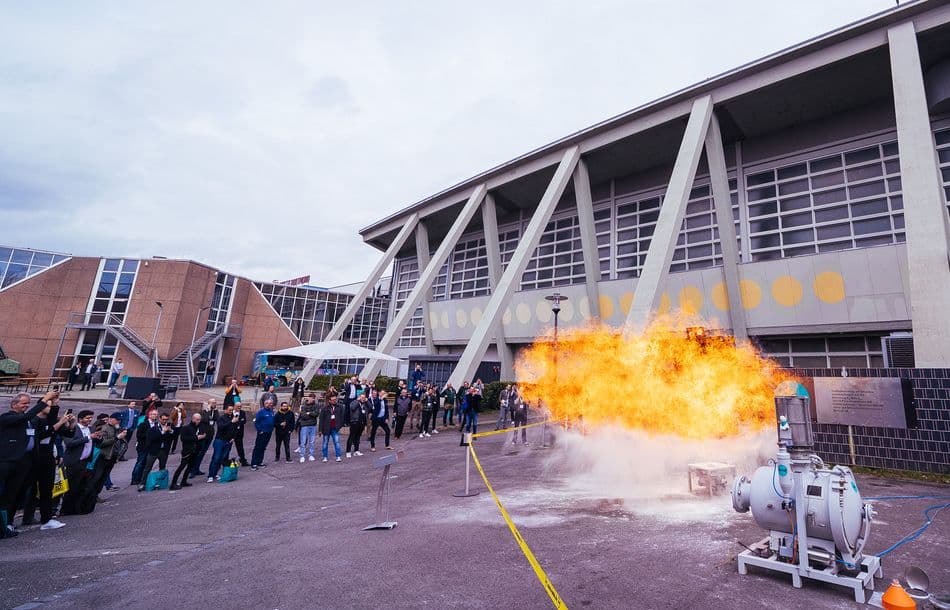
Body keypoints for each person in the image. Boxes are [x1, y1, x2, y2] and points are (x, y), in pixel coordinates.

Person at [1, 391, 58, 536]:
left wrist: (55, 404)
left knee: (17, 492)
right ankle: (6, 523)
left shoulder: (26, 420)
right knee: (7, 493)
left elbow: (48, 426)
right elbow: (27, 416)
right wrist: (45, 399)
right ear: (14, 404)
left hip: (26, 460)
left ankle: (7, 524)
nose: (26, 406)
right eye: (23, 403)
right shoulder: (8, 417)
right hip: (9, 460)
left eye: (28, 403)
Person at [20, 397, 69, 530]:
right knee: (27, 488)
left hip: (48, 457)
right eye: (50, 405)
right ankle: (16, 519)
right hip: (33, 457)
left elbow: (66, 433)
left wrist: (69, 423)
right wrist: (59, 424)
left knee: (46, 489)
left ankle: (46, 519)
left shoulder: (51, 420)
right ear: (41, 407)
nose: (52, 407)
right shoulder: (34, 421)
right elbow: (40, 435)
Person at [80, 413, 126, 513]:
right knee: (96, 477)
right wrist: (117, 437)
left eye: (120, 420)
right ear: (111, 419)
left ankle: (95, 495)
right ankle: (90, 497)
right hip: (103, 456)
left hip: (112, 457)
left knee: (103, 478)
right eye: (117, 420)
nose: (119, 422)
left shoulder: (116, 428)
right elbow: (102, 443)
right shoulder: (104, 428)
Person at [60, 409, 97, 515]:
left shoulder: (91, 428)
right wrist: (88, 438)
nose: (90, 420)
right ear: (80, 419)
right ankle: (64, 510)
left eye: (91, 418)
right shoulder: (73, 429)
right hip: (73, 461)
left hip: (84, 461)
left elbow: (94, 441)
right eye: (87, 418)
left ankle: (75, 508)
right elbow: (69, 443)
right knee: (69, 486)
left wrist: (98, 437)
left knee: (78, 486)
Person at [136, 410, 173, 492]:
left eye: (166, 419)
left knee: (162, 467)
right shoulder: (154, 427)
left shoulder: (169, 427)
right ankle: (142, 483)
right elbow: (152, 438)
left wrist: (170, 431)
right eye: (163, 419)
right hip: (154, 450)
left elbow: (173, 438)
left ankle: (160, 483)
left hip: (163, 451)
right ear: (159, 419)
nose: (164, 421)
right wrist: (163, 432)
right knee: (147, 468)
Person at [170, 413, 204, 490]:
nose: (199, 421)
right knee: (182, 466)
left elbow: (202, 436)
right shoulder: (186, 428)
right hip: (187, 451)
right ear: (193, 419)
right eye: (197, 420)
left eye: (199, 420)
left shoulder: (199, 427)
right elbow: (184, 439)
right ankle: (173, 483)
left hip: (195, 450)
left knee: (190, 467)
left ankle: (184, 481)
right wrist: (197, 438)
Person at [208, 406, 239, 482]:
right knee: (216, 457)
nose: (231, 411)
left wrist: (233, 437)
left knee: (223, 458)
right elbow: (221, 427)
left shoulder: (234, 418)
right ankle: (210, 475)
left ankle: (215, 474)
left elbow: (236, 429)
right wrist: (231, 422)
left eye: (232, 410)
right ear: (225, 410)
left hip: (228, 441)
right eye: (229, 410)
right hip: (220, 440)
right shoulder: (221, 418)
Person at [189, 401, 217, 477]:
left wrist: (212, 411)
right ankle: (192, 470)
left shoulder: (215, 412)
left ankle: (197, 469)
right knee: (198, 453)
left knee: (203, 453)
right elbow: (205, 420)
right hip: (203, 435)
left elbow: (216, 418)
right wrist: (208, 411)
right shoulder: (202, 412)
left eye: (215, 403)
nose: (214, 404)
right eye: (213, 403)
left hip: (210, 435)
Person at [250, 399, 275, 470]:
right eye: (268, 404)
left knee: (263, 447)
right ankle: (254, 463)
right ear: (265, 404)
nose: (270, 405)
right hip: (262, 432)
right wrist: (259, 430)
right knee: (258, 447)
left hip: (269, 432)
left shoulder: (271, 411)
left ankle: (259, 462)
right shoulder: (261, 412)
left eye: (271, 404)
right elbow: (256, 422)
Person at [318, 395, 344, 463]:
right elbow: (321, 419)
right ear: (329, 401)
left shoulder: (339, 407)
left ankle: (338, 456)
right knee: (325, 443)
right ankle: (325, 457)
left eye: (335, 399)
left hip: (335, 428)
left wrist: (340, 425)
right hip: (326, 428)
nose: (334, 401)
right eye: (333, 400)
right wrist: (320, 430)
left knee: (337, 442)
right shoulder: (325, 408)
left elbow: (342, 417)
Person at [297, 394, 319, 463]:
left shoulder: (316, 406)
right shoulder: (303, 406)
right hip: (305, 425)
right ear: (308, 398)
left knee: (312, 441)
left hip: (313, 425)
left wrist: (308, 413)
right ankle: (302, 456)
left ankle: (311, 455)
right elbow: (303, 416)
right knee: (303, 441)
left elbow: (316, 414)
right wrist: (311, 414)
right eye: (311, 398)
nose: (312, 399)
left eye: (313, 398)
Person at [346, 394, 368, 458]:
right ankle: (348, 451)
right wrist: (357, 401)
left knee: (358, 437)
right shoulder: (354, 402)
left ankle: (356, 450)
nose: (363, 399)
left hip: (362, 422)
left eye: (364, 397)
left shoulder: (364, 404)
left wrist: (367, 401)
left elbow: (370, 408)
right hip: (354, 422)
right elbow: (352, 408)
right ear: (359, 397)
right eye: (362, 397)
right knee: (351, 436)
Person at [231, 401, 249, 466]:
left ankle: (243, 460)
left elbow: (244, 421)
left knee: (240, 447)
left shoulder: (242, 412)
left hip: (239, 433)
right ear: (234, 406)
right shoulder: (231, 412)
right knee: (227, 447)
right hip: (231, 433)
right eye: (238, 406)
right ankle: (224, 461)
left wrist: (237, 421)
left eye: (240, 406)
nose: (239, 408)